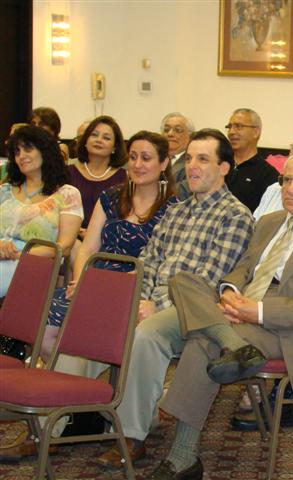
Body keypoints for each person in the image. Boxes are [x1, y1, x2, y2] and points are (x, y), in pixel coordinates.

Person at [147, 148, 293, 479]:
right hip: (243, 307)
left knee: (202, 343)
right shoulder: (269, 222)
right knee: (183, 282)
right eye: (286, 180)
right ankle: (233, 342)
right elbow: (243, 268)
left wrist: (256, 311)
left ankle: (183, 455)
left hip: (290, 329)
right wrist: (229, 293)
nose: (290, 188)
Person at [0, 131, 179, 462]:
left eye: (147, 158)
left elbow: (161, 263)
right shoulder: (112, 197)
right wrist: (81, 280)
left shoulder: (174, 207)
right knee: (48, 322)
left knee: (82, 332)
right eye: (133, 157)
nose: (138, 164)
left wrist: (106, 287)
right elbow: (88, 247)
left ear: (164, 163)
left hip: (134, 285)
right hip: (94, 280)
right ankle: (71, 408)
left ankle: (64, 419)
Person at [94, 128, 254, 468]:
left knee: (146, 335)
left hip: (194, 310)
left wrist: (155, 308)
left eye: (203, 159)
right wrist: (141, 300)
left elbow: (208, 282)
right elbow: (148, 261)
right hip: (152, 301)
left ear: (224, 168)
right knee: (89, 319)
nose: (192, 166)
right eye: (190, 158)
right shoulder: (177, 211)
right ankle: (58, 421)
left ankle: (132, 436)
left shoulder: (235, 216)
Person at [0, 126, 83, 297]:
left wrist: (19, 254)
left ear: (45, 151)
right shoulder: (4, 191)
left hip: (35, 264)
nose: (21, 156)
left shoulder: (67, 194)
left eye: (28, 148)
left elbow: (65, 247)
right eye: (17, 152)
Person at [68, 115, 128, 236]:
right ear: (85, 141)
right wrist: (79, 231)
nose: (99, 140)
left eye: (106, 138)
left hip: (107, 239)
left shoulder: (124, 177)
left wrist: (94, 235)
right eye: (94, 135)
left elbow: (124, 216)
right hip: (71, 236)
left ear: (115, 147)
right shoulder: (68, 172)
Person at [225, 108, 279, 211]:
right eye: (229, 127)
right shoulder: (220, 165)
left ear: (256, 132)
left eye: (238, 126)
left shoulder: (268, 175)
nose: (231, 132)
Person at [161, 112, 194, 186]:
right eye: (166, 130)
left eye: (178, 130)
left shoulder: (191, 162)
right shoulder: (156, 158)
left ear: (190, 136)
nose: (170, 134)